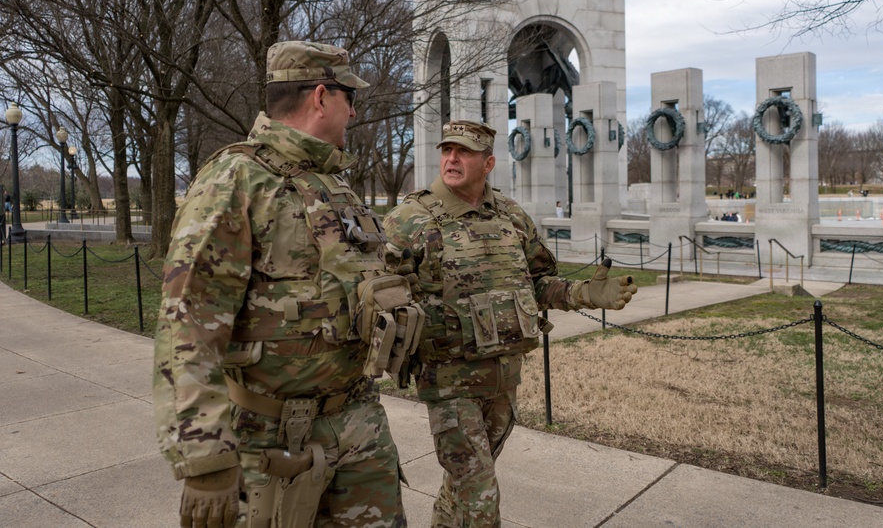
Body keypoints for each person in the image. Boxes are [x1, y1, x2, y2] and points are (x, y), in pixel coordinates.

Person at [153, 41, 406, 528]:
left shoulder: (334, 184)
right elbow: (186, 326)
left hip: (358, 426)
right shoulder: (235, 180)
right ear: (320, 97)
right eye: (348, 97)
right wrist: (205, 460)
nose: (353, 110)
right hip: (269, 439)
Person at [382, 120, 637, 528]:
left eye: (464, 152)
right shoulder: (410, 219)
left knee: (463, 486)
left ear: (488, 163)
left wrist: (584, 294)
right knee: (479, 491)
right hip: (448, 383)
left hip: (503, 378)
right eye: (447, 150)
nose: (451, 159)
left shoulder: (512, 216)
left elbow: (537, 282)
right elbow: (376, 293)